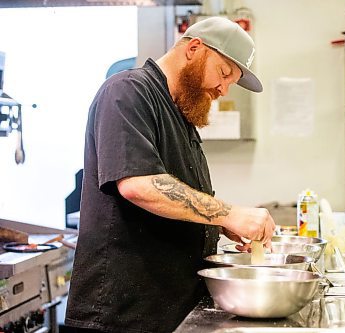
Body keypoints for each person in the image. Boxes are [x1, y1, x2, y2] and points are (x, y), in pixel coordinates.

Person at [65, 17, 276, 333]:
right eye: (224, 73)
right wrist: (229, 214)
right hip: (119, 316)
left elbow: (180, 197)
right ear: (194, 49)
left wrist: (219, 221)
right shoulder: (127, 92)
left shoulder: (182, 117)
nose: (223, 88)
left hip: (167, 312)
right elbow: (139, 184)